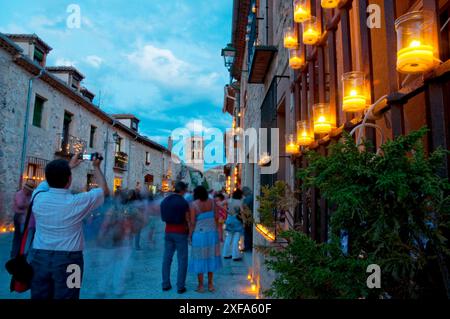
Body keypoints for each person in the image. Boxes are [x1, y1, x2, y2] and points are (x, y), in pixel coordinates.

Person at [29, 153, 109, 299]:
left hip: (39, 257)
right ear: (69, 179)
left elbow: (44, 184)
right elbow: (104, 191)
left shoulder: (37, 196)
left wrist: (69, 166)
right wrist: (96, 167)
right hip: (71, 260)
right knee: (70, 295)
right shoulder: (77, 202)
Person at [189, 186, 222, 293]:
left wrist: (190, 235)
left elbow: (193, 222)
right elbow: (217, 217)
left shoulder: (193, 205)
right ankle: (211, 284)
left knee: (199, 258)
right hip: (212, 234)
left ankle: (201, 286)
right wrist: (216, 229)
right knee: (211, 256)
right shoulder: (213, 202)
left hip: (199, 234)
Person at [160, 181, 190, 294]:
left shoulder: (165, 200)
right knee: (182, 259)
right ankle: (180, 286)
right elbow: (187, 219)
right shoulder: (183, 202)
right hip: (180, 232)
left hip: (168, 231)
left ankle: (165, 284)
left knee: (167, 258)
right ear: (182, 190)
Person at [10, 181, 35, 258]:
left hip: (25, 218)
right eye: (29, 190)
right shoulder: (20, 194)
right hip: (19, 217)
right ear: (25, 188)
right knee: (19, 237)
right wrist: (29, 205)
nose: (29, 192)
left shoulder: (29, 195)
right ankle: (15, 255)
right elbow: (20, 204)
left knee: (22, 237)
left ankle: (18, 254)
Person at [223, 189, 244, 261]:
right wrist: (244, 220)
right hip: (237, 220)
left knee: (229, 236)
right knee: (236, 237)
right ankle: (235, 255)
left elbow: (219, 204)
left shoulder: (229, 200)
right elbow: (242, 212)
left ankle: (226, 253)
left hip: (229, 219)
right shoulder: (240, 202)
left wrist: (227, 211)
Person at [242, 187, 254, 252]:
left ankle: (247, 246)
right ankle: (250, 246)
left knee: (247, 232)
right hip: (252, 217)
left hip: (248, 218)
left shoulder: (246, 199)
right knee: (250, 232)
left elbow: (244, 209)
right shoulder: (253, 197)